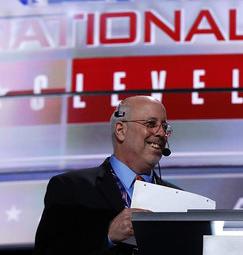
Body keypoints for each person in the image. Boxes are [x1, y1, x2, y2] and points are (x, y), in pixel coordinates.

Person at [34, 95, 178, 255]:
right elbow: (47, 251)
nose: (161, 133)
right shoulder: (70, 187)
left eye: (164, 127)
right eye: (151, 124)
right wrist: (108, 236)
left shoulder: (179, 198)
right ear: (120, 130)